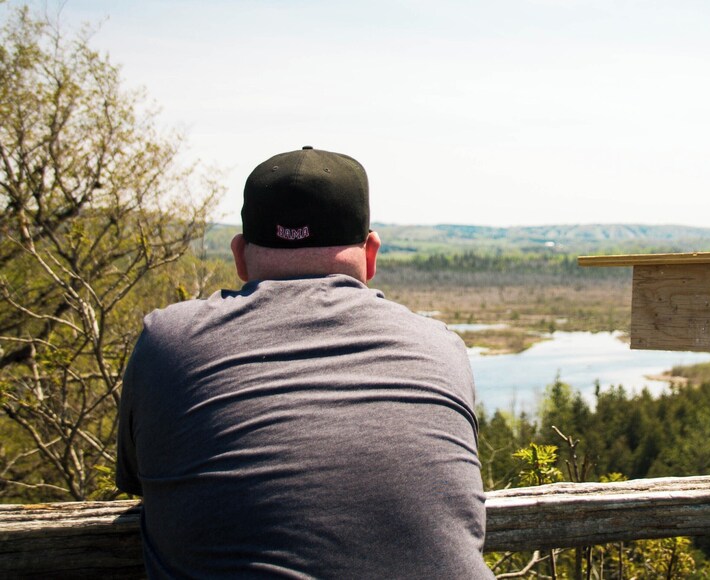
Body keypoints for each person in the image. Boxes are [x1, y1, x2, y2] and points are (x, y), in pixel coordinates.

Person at [116, 146, 493, 579]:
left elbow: (141, 483)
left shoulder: (169, 340)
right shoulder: (439, 344)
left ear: (239, 255)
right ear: (370, 254)